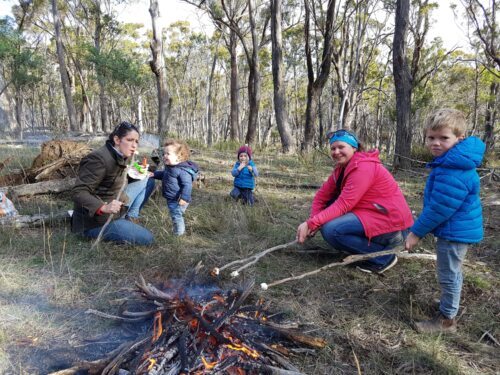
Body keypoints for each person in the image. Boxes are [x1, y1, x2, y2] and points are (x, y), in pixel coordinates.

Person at [405, 109, 485, 333]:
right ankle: (448, 306)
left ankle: (446, 320)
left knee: (448, 274)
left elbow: (440, 208)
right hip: (455, 230)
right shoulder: (451, 162)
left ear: (459, 139)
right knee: (452, 272)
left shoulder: (453, 170)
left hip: (455, 232)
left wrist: (416, 232)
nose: (436, 143)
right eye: (431, 137)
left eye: (443, 138)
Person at [296, 129, 414, 274]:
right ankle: (366, 247)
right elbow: (321, 197)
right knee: (328, 207)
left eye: (341, 147)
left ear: (354, 147)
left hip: (394, 228)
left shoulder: (363, 167)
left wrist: (312, 223)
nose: (336, 152)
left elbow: (344, 204)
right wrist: (313, 221)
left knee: (332, 230)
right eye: (333, 148)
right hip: (372, 214)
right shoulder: (341, 169)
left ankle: (383, 257)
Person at [71, 122, 154, 245]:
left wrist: (136, 174)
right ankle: (112, 228)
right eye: (130, 140)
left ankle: (131, 217)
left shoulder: (122, 154)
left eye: (136, 141)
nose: (134, 145)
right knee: (148, 239)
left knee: (148, 181)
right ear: (117, 139)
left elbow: (114, 179)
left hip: (116, 205)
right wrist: (103, 207)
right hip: (95, 222)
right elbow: (78, 192)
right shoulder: (98, 159)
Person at [152, 139, 198, 236]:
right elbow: (164, 174)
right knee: (175, 215)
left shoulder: (182, 170)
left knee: (176, 216)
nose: (164, 156)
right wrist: (153, 174)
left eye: (168, 154)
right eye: (164, 153)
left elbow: (187, 185)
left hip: (178, 199)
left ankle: (179, 234)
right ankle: (178, 230)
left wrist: (184, 198)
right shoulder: (170, 167)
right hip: (172, 198)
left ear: (179, 157)